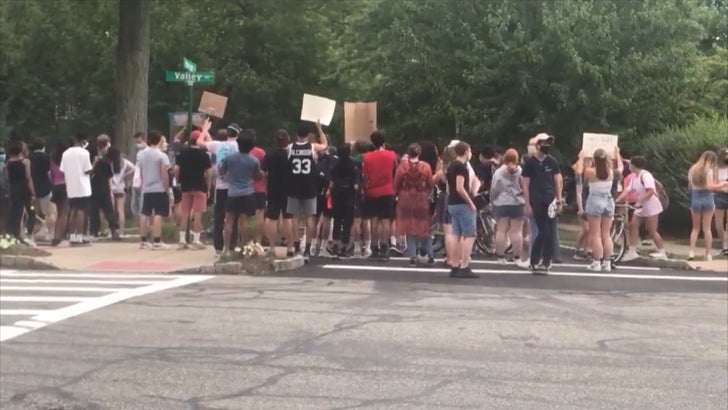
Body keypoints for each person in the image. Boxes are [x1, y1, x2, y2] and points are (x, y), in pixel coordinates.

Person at [286, 121, 328, 262]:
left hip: (293, 185)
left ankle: (296, 247)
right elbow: (325, 145)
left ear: (297, 135)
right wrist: (319, 129)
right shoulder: (312, 147)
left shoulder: (290, 148)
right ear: (308, 135)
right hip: (310, 186)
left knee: (295, 218)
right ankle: (308, 249)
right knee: (310, 218)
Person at [522, 133, 563, 274]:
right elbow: (525, 185)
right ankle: (535, 260)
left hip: (550, 200)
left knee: (550, 232)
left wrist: (559, 199)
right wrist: (527, 204)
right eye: (544, 144)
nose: (546, 147)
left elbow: (558, 182)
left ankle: (546, 261)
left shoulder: (552, 162)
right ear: (538, 145)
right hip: (537, 200)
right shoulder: (530, 163)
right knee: (543, 230)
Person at [200, 122, 241, 256]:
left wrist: (205, 130)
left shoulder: (218, 145)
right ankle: (231, 246)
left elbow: (200, 142)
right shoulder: (239, 147)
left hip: (220, 186)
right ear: (238, 134)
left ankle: (218, 246)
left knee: (219, 217)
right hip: (234, 186)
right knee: (233, 218)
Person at [616, 156, 667, 261]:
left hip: (651, 206)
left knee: (652, 230)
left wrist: (639, 201)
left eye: (630, 165)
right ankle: (632, 251)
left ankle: (662, 252)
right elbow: (627, 190)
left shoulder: (646, 175)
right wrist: (617, 200)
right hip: (641, 206)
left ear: (633, 165)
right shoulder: (634, 176)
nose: (629, 166)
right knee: (633, 225)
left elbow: (651, 191)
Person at [219, 133, 261, 256]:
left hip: (232, 193)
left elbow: (222, 170)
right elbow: (257, 176)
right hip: (247, 192)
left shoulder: (230, 158)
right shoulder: (254, 160)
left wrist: (225, 176)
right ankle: (244, 248)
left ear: (238, 144)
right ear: (251, 146)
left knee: (229, 221)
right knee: (244, 222)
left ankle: (226, 249)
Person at [394, 143, 434, 266]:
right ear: (419, 153)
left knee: (409, 226)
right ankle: (430, 254)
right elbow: (430, 183)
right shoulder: (426, 166)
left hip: (406, 198)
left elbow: (396, 184)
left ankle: (413, 255)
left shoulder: (403, 166)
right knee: (424, 226)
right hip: (421, 198)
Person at [361, 131, 398, 261]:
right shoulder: (391, 155)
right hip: (387, 190)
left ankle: (374, 246)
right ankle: (385, 247)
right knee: (386, 220)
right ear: (383, 142)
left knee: (374, 220)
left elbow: (365, 176)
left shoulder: (367, 157)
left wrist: (364, 188)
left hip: (372, 191)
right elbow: (394, 169)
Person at [490, 148, 528, 268]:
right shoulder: (521, 172)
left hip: (501, 203)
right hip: (517, 203)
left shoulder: (499, 172)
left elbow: (494, 189)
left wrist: (492, 200)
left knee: (501, 230)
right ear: (517, 160)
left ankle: (500, 257)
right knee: (516, 231)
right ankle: (517, 257)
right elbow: (525, 187)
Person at [445, 142, 479, 278]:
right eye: (469, 150)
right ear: (466, 151)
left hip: (452, 202)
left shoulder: (451, 166)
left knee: (456, 234)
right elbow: (460, 187)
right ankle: (464, 265)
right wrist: (470, 202)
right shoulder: (461, 167)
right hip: (462, 203)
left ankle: (454, 265)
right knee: (469, 235)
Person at [175, 129, 212, 250]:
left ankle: (182, 240)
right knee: (197, 214)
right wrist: (209, 185)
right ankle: (196, 241)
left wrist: (179, 180)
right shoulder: (204, 155)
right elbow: (208, 172)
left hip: (185, 185)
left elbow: (176, 169)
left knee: (185, 213)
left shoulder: (183, 153)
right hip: (199, 185)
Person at [687, 151, 727, 261]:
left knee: (695, 228)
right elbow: (710, 187)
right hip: (708, 199)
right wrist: (722, 184)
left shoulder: (692, 169)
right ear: (711, 160)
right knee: (707, 228)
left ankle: (691, 252)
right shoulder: (708, 171)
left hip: (696, 198)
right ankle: (708, 253)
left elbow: (690, 186)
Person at [262, 130, 295, 257]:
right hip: (288, 189)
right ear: (287, 141)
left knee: (271, 217)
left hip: (273, 188)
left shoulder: (269, 155)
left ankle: (271, 247)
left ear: (275, 141)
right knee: (287, 218)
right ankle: (290, 247)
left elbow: (263, 173)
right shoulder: (290, 156)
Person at [137, 130, 171, 249]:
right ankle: (157, 240)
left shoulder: (142, 154)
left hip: (146, 187)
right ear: (160, 140)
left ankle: (143, 240)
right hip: (159, 187)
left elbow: (140, 170)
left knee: (145, 213)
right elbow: (164, 173)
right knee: (158, 213)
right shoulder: (162, 155)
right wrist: (167, 187)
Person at [583, 149, 616, 271]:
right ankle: (607, 262)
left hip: (595, 200)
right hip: (608, 200)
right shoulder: (611, 172)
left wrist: (584, 160)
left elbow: (584, 181)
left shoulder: (590, 172)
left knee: (595, 234)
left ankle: (596, 262)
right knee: (606, 234)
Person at [59, 133, 93, 246]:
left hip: (71, 186)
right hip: (83, 186)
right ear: (82, 141)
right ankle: (79, 237)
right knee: (81, 211)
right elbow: (87, 170)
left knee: (72, 211)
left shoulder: (65, 153)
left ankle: (72, 237)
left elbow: (63, 170)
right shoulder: (84, 153)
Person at [329, 143, 360, 259]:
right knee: (347, 222)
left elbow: (331, 182)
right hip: (349, 195)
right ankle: (344, 247)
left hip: (337, 194)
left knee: (337, 220)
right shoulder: (352, 164)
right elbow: (356, 183)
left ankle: (335, 245)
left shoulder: (335, 165)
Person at [3, 140, 35, 243]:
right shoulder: (25, 162)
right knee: (29, 211)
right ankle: (24, 234)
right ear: (21, 150)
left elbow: (7, 177)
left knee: (15, 211)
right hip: (23, 188)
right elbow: (28, 177)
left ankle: (11, 232)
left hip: (13, 188)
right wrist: (33, 192)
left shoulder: (8, 163)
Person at [89, 139, 121, 240]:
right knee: (108, 210)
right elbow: (109, 178)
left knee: (94, 210)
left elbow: (90, 173)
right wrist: (111, 191)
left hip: (94, 187)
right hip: (104, 188)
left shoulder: (96, 160)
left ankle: (94, 231)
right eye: (107, 147)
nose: (108, 149)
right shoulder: (106, 162)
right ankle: (114, 230)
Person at [28, 137, 56, 242]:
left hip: (32, 190)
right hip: (45, 189)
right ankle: (49, 233)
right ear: (44, 146)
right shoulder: (47, 157)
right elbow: (49, 174)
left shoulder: (29, 157)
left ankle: (34, 234)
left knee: (33, 213)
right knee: (49, 212)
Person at [312, 146, 337, 257]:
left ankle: (312, 246)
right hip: (328, 195)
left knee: (314, 219)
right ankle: (323, 247)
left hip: (316, 194)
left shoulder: (315, 161)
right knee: (327, 219)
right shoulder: (334, 161)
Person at [246, 129, 267, 247]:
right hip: (259, 187)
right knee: (259, 214)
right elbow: (264, 171)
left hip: (245, 188)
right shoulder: (260, 152)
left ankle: (243, 242)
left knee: (243, 216)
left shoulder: (241, 152)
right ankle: (258, 242)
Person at [109, 147, 135, 237]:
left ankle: (110, 231)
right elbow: (133, 168)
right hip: (121, 187)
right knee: (120, 210)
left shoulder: (109, 162)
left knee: (110, 210)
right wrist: (128, 180)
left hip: (111, 187)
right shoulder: (124, 162)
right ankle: (121, 232)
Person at [50, 140, 69, 246]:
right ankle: (59, 237)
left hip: (56, 186)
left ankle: (55, 236)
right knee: (64, 213)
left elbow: (52, 175)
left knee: (58, 213)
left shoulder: (52, 160)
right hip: (65, 186)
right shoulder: (66, 160)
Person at [572, 152, 592, 260]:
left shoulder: (592, 175)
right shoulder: (580, 177)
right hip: (582, 204)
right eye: (587, 163)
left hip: (589, 203)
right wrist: (580, 208)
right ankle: (578, 249)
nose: (589, 164)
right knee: (586, 229)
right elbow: (579, 193)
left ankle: (586, 250)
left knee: (590, 230)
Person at [713, 147, 728, 256]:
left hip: (719, 194)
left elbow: (713, 184)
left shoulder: (715, 169)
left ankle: (724, 245)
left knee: (719, 222)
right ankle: (726, 246)